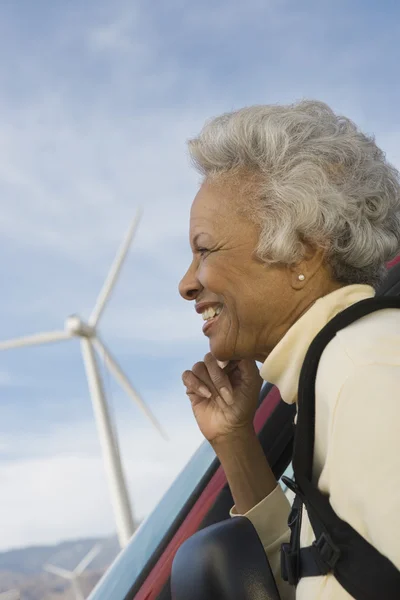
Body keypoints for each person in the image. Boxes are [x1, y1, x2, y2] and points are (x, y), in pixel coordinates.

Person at [179, 100, 400, 600]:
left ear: (303, 248)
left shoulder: (368, 372)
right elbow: (329, 576)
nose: (186, 283)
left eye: (204, 249)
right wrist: (235, 441)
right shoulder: (333, 376)